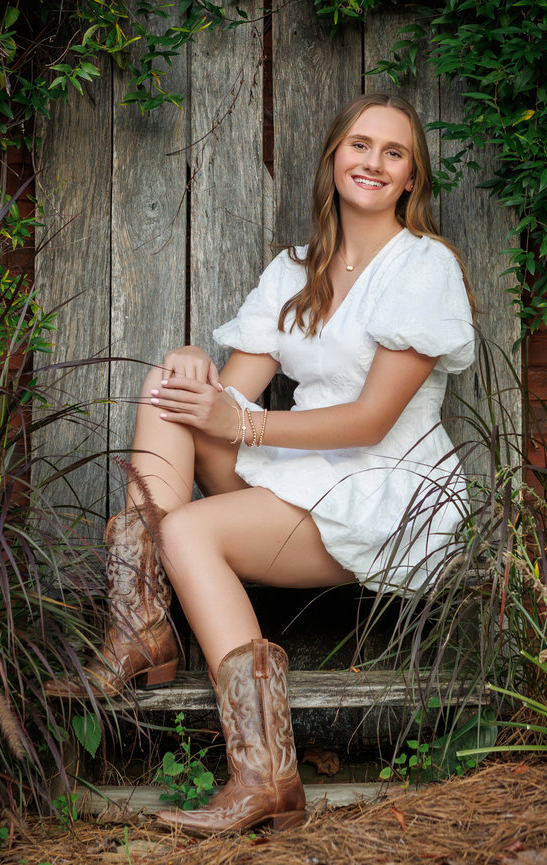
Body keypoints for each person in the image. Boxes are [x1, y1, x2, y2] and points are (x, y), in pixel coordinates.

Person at [46, 92, 475, 834]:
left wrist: (241, 421)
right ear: (334, 158)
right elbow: (228, 392)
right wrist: (191, 368)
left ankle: (266, 772)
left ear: (412, 177)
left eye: (393, 152)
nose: (372, 162)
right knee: (169, 388)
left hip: (384, 487)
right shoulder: (295, 269)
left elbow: (373, 419)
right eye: (359, 145)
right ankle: (142, 624)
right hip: (299, 470)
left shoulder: (424, 266)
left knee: (188, 533)